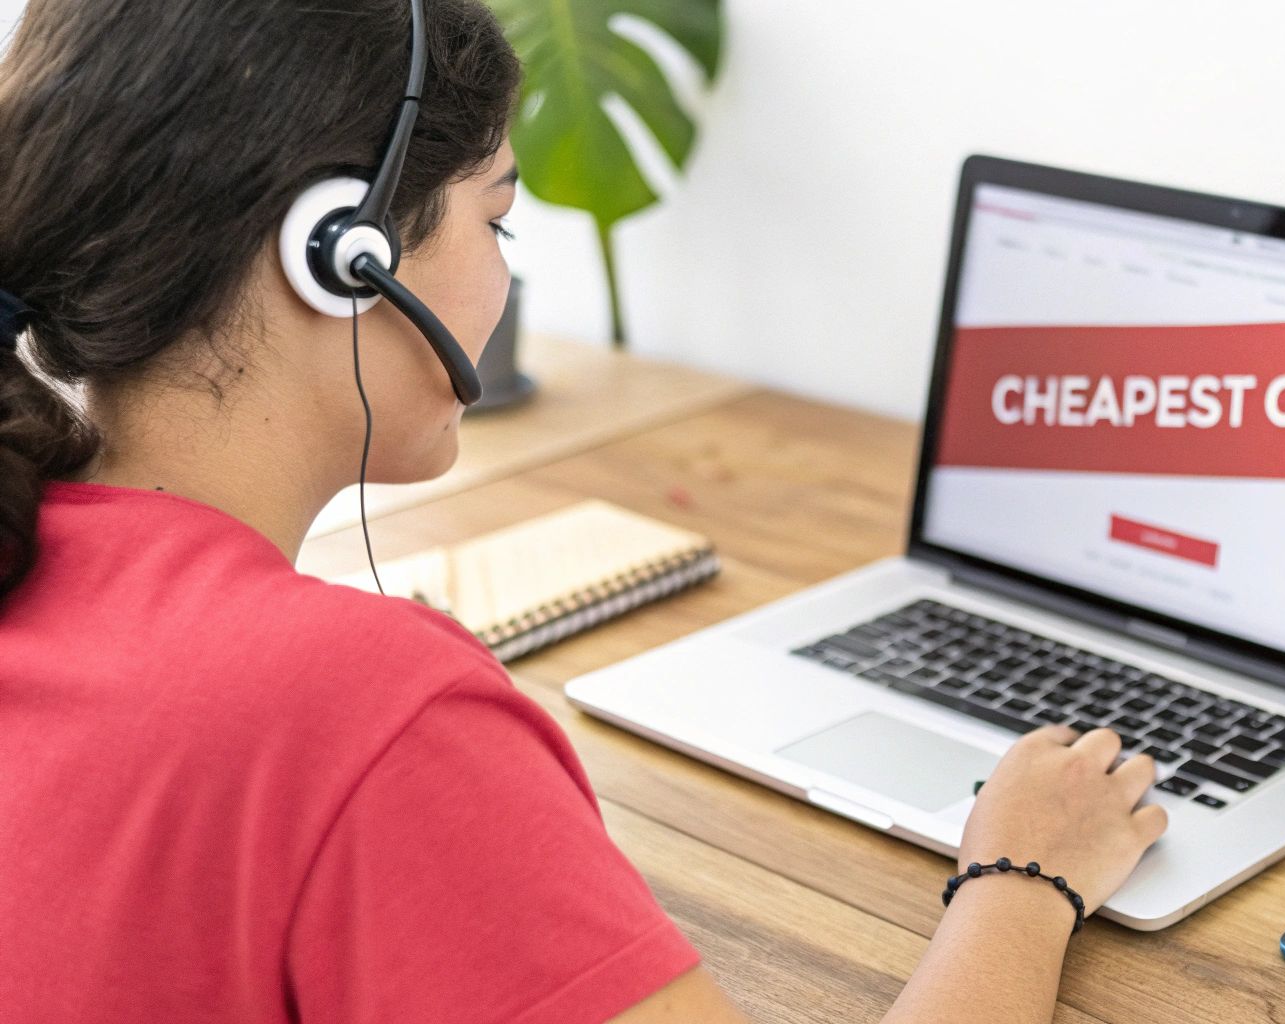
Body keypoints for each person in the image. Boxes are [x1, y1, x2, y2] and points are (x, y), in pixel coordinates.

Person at [0, 2, 1169, 1021]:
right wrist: (1023, 878)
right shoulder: (365, 718)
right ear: (339, 255)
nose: (504, 273)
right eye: (496, 218)